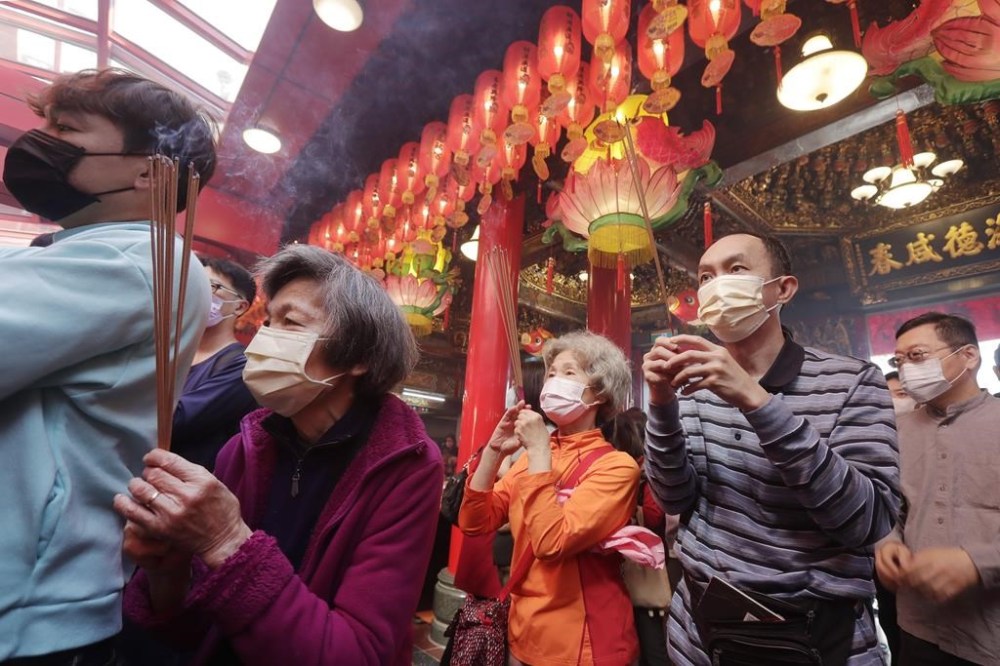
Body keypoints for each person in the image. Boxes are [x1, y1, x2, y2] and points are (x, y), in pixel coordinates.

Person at [115, 245, 443, 665]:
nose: (264, 337)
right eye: (268, 320)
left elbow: (358, 653)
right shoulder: (245, 447)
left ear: (358, 355)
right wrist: (168, 572)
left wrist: (225, 540)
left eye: (290, 322)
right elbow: (191, 630)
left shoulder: (405, 464)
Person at [0, 69, 214, 663]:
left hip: (29, 598)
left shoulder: (139, 259)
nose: (39, 140)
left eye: (65, 128)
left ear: (149, 167)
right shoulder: (95, 252)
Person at [642, 232, 899, 665]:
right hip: (697, 631)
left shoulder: (853, 381)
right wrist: (662, 405)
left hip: (811, 636)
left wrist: (756, 400)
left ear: (783, 289)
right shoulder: (693, 386)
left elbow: (865, 522)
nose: (717, 284)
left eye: (736, 270)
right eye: (706, 277)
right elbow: (674, 498)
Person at [459, 331, 641, 665]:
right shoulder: (532, 457)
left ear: (599, 392)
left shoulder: (617, 467)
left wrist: (540, 449)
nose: (554, 381)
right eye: (552, 373)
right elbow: (475, 521)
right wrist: (494, 453)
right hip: (522, 627)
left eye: (570, 373)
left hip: (583, 640)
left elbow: (551, 543)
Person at [875, 312, 1000, 666]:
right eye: (898, 361)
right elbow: (889, 506)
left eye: (917, 356)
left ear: (969, 356)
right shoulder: (894, 431)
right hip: (918, 627)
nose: (906, 368)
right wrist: (887, 544)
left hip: (990, 632)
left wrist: (978, 563)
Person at [171, 256, 259, 470]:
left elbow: (175, 420)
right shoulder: (176, 348)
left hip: (176, 485)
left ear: (239, 307)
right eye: (197, 283)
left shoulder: (241, 367)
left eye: (213, 287)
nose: (201, 292)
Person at [604, 408, 671, 666]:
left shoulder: (646, 474)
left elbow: (654, 518)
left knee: (651, 645)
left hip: (641, 570)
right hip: (623, 572)